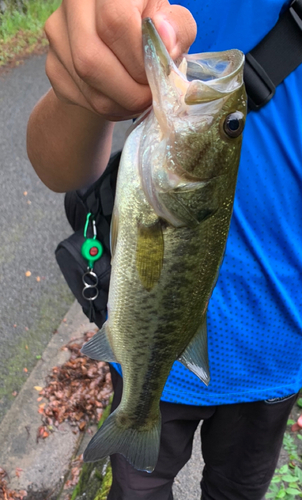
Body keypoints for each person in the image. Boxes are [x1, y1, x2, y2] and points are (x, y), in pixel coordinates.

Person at [26, 1, 302, 499]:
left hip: (279, 354)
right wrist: (81, 93)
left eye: (229, 124)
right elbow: (57, 168)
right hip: (155, 362)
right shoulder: (152, 11)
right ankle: (137, 414)